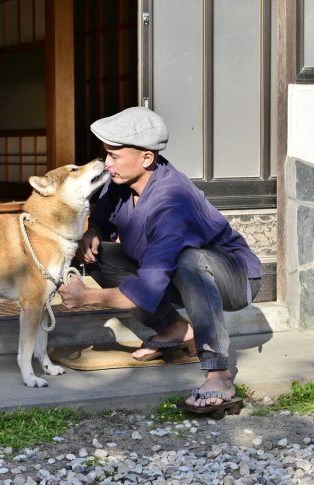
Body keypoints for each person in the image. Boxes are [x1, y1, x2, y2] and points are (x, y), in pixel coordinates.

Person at [57, 106, 262, 413]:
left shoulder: (172, 203)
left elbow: (147, 288)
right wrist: (94, 231)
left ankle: (219, 374)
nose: (107, 163)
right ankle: (175, 328)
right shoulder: (120, 182)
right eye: (107, 155)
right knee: (100, 255)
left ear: (146, 158)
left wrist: (87, 297)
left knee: (188, 260)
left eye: (114, 156)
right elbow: (103, 216)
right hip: (174, 272)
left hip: (232, 277)